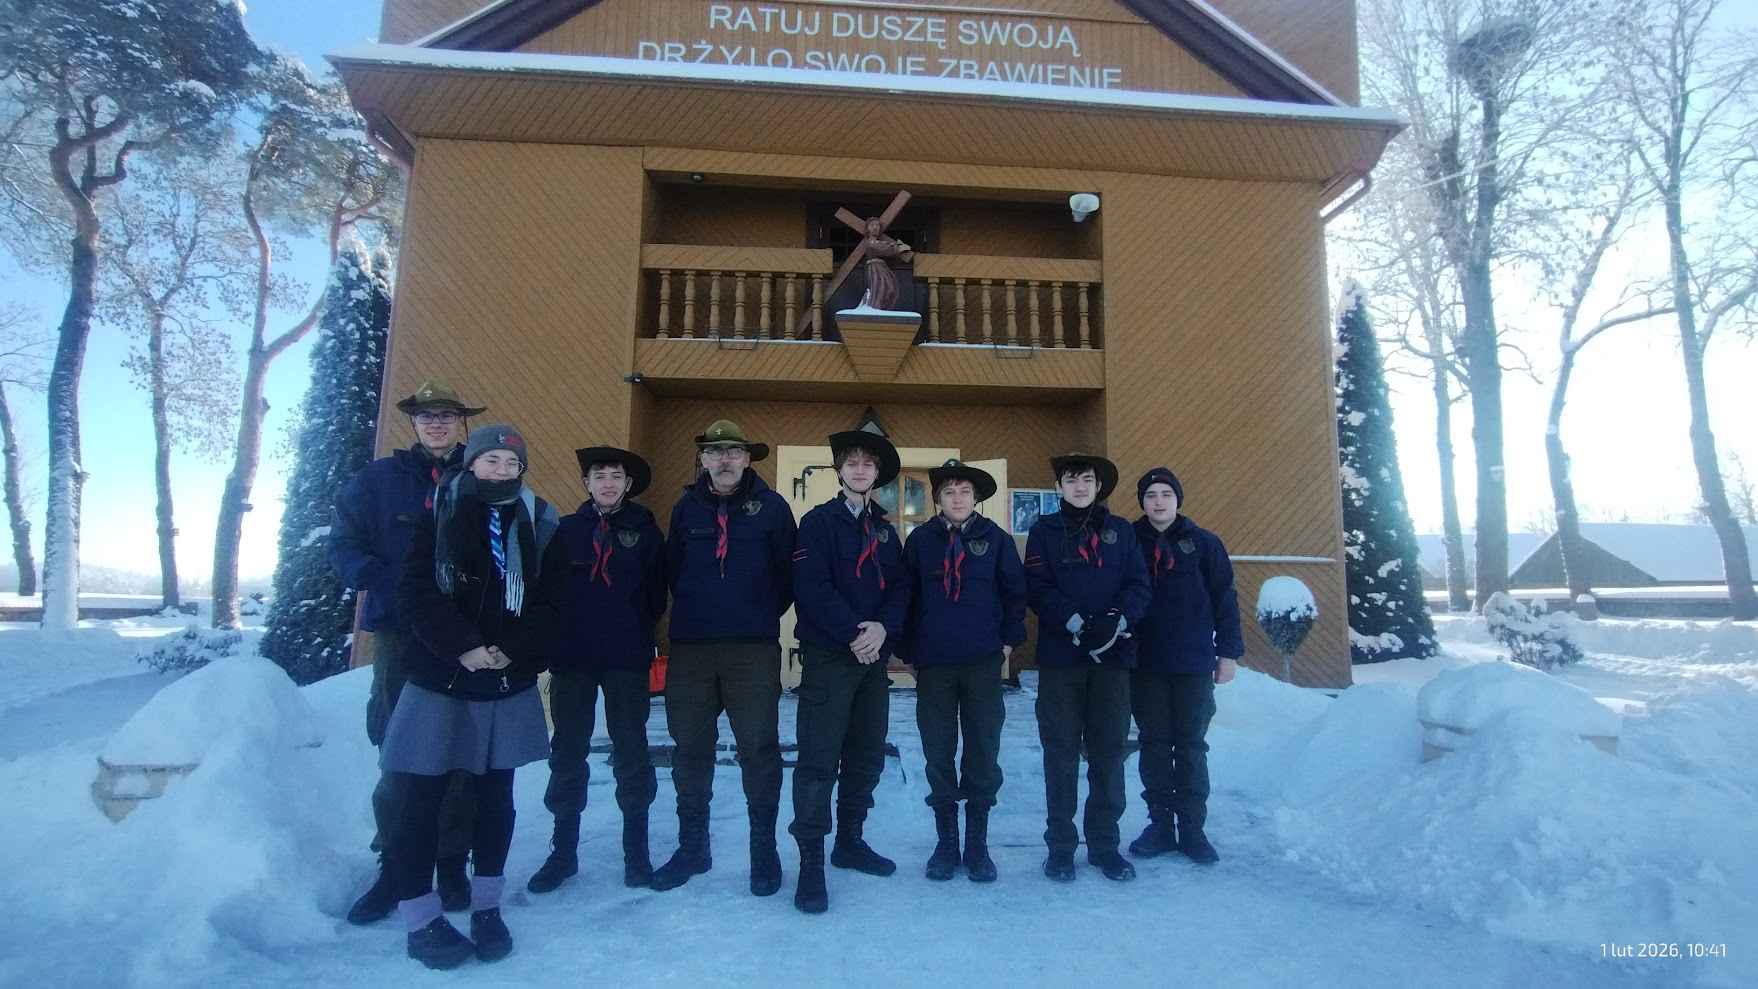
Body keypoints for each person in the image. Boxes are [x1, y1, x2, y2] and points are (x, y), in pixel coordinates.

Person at [384, 425, 564, 969]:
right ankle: (421, 919)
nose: (501, 471)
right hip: (442, 676)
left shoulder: (541, 521)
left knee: (495, 798)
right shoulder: (439, 511)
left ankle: (487, 908)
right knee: (421, 798)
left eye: (512, 464)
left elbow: (552, 602)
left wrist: (515, 651)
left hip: (504, 678)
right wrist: (462, 647)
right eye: (491, 461)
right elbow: (415, 591)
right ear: (472, 464)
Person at [330, 379, 483, 925]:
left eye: (446, 415)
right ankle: (395, 865)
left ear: (461, 423)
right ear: (414, 424)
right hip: (402, 636)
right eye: (426, 416)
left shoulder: (480, 478)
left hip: (463, 637)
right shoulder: (377, 482)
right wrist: (390, 585)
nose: (436, 424)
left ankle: (451, 862)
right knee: (400, 749)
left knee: (462, 753)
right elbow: (344, 546)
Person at [653, 419, 796, 897]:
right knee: (690, 749)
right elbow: (674, 571)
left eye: (733, 451)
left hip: (751, 649)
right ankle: (693, 847)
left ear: (748, 458)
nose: (725, 460)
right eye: (715, 452)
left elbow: (786, 577)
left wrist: (753, 612)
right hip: (693, 649)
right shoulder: (685, 508)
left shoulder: (773, 509)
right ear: (704, 460)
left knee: (759, 749)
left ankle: (764, 852)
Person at [527, 447, 666, 894]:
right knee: (568, 749)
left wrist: (632, 631)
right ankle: (563, 852)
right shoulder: (565, 531)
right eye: (599, 476)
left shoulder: (646, 532)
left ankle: (636, 852)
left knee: (631, 749)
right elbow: (547, 591)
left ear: (628, 485)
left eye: (616, 476)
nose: (607, 483)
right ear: (587, 484)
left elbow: (655, 595)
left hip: (625, 658)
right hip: (573, 658)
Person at [788, 429, 910, 913]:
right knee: (819, 761)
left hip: (872, 661)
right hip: (831, 658)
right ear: (839, 470)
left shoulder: (886, 531)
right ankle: (811, 862)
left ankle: (850, 841)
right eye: (852, 462)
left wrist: (882, 630)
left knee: (865, 756)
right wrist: (854, 634)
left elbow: (900, 589)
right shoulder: (818, 523)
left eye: (868, 464)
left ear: (877, 474)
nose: (860, 470)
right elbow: (811, 586)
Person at [1023, 453, 1151, 883]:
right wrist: (1074, 620)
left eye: (1087, 480)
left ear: (1099, 487)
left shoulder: (1122, 532)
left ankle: (1105, 846)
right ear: (1059, 487)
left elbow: (1139, 585)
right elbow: (1037, 587)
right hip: (1062, 660)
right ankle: (1061, 849)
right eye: (1071, 479)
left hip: (1113, 661)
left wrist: (1117, 619)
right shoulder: (1043, 531)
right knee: (1060, 755)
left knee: (1108, 755)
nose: (1079, 486)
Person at [900, 459, 1025, 883]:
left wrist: (1006, 643)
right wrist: (908, 652)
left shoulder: (997, 540)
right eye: (949, 492)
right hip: (934, 664)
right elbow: (906, 597)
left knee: (982, 751)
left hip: (982, 663)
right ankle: (946, 843)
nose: (957, 498)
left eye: (965, 492)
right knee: (938, 751)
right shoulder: (921, 541)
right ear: (938, 498)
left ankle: (976, 844)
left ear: (976, 499)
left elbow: (1015, 595)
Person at [1128, 468, 1242, 865]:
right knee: (1154, 745)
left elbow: (1225, 599)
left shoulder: (1205, 544)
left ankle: (1193, 829)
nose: (1158, 501)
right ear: (1142, 502)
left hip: (1193, 663)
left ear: (1177, 499)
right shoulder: (1129, 542)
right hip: (1145, 664)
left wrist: (1228, 653)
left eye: (1166, 494)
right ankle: (1160, 826)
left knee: (1191, 746)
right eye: (1151, 495)